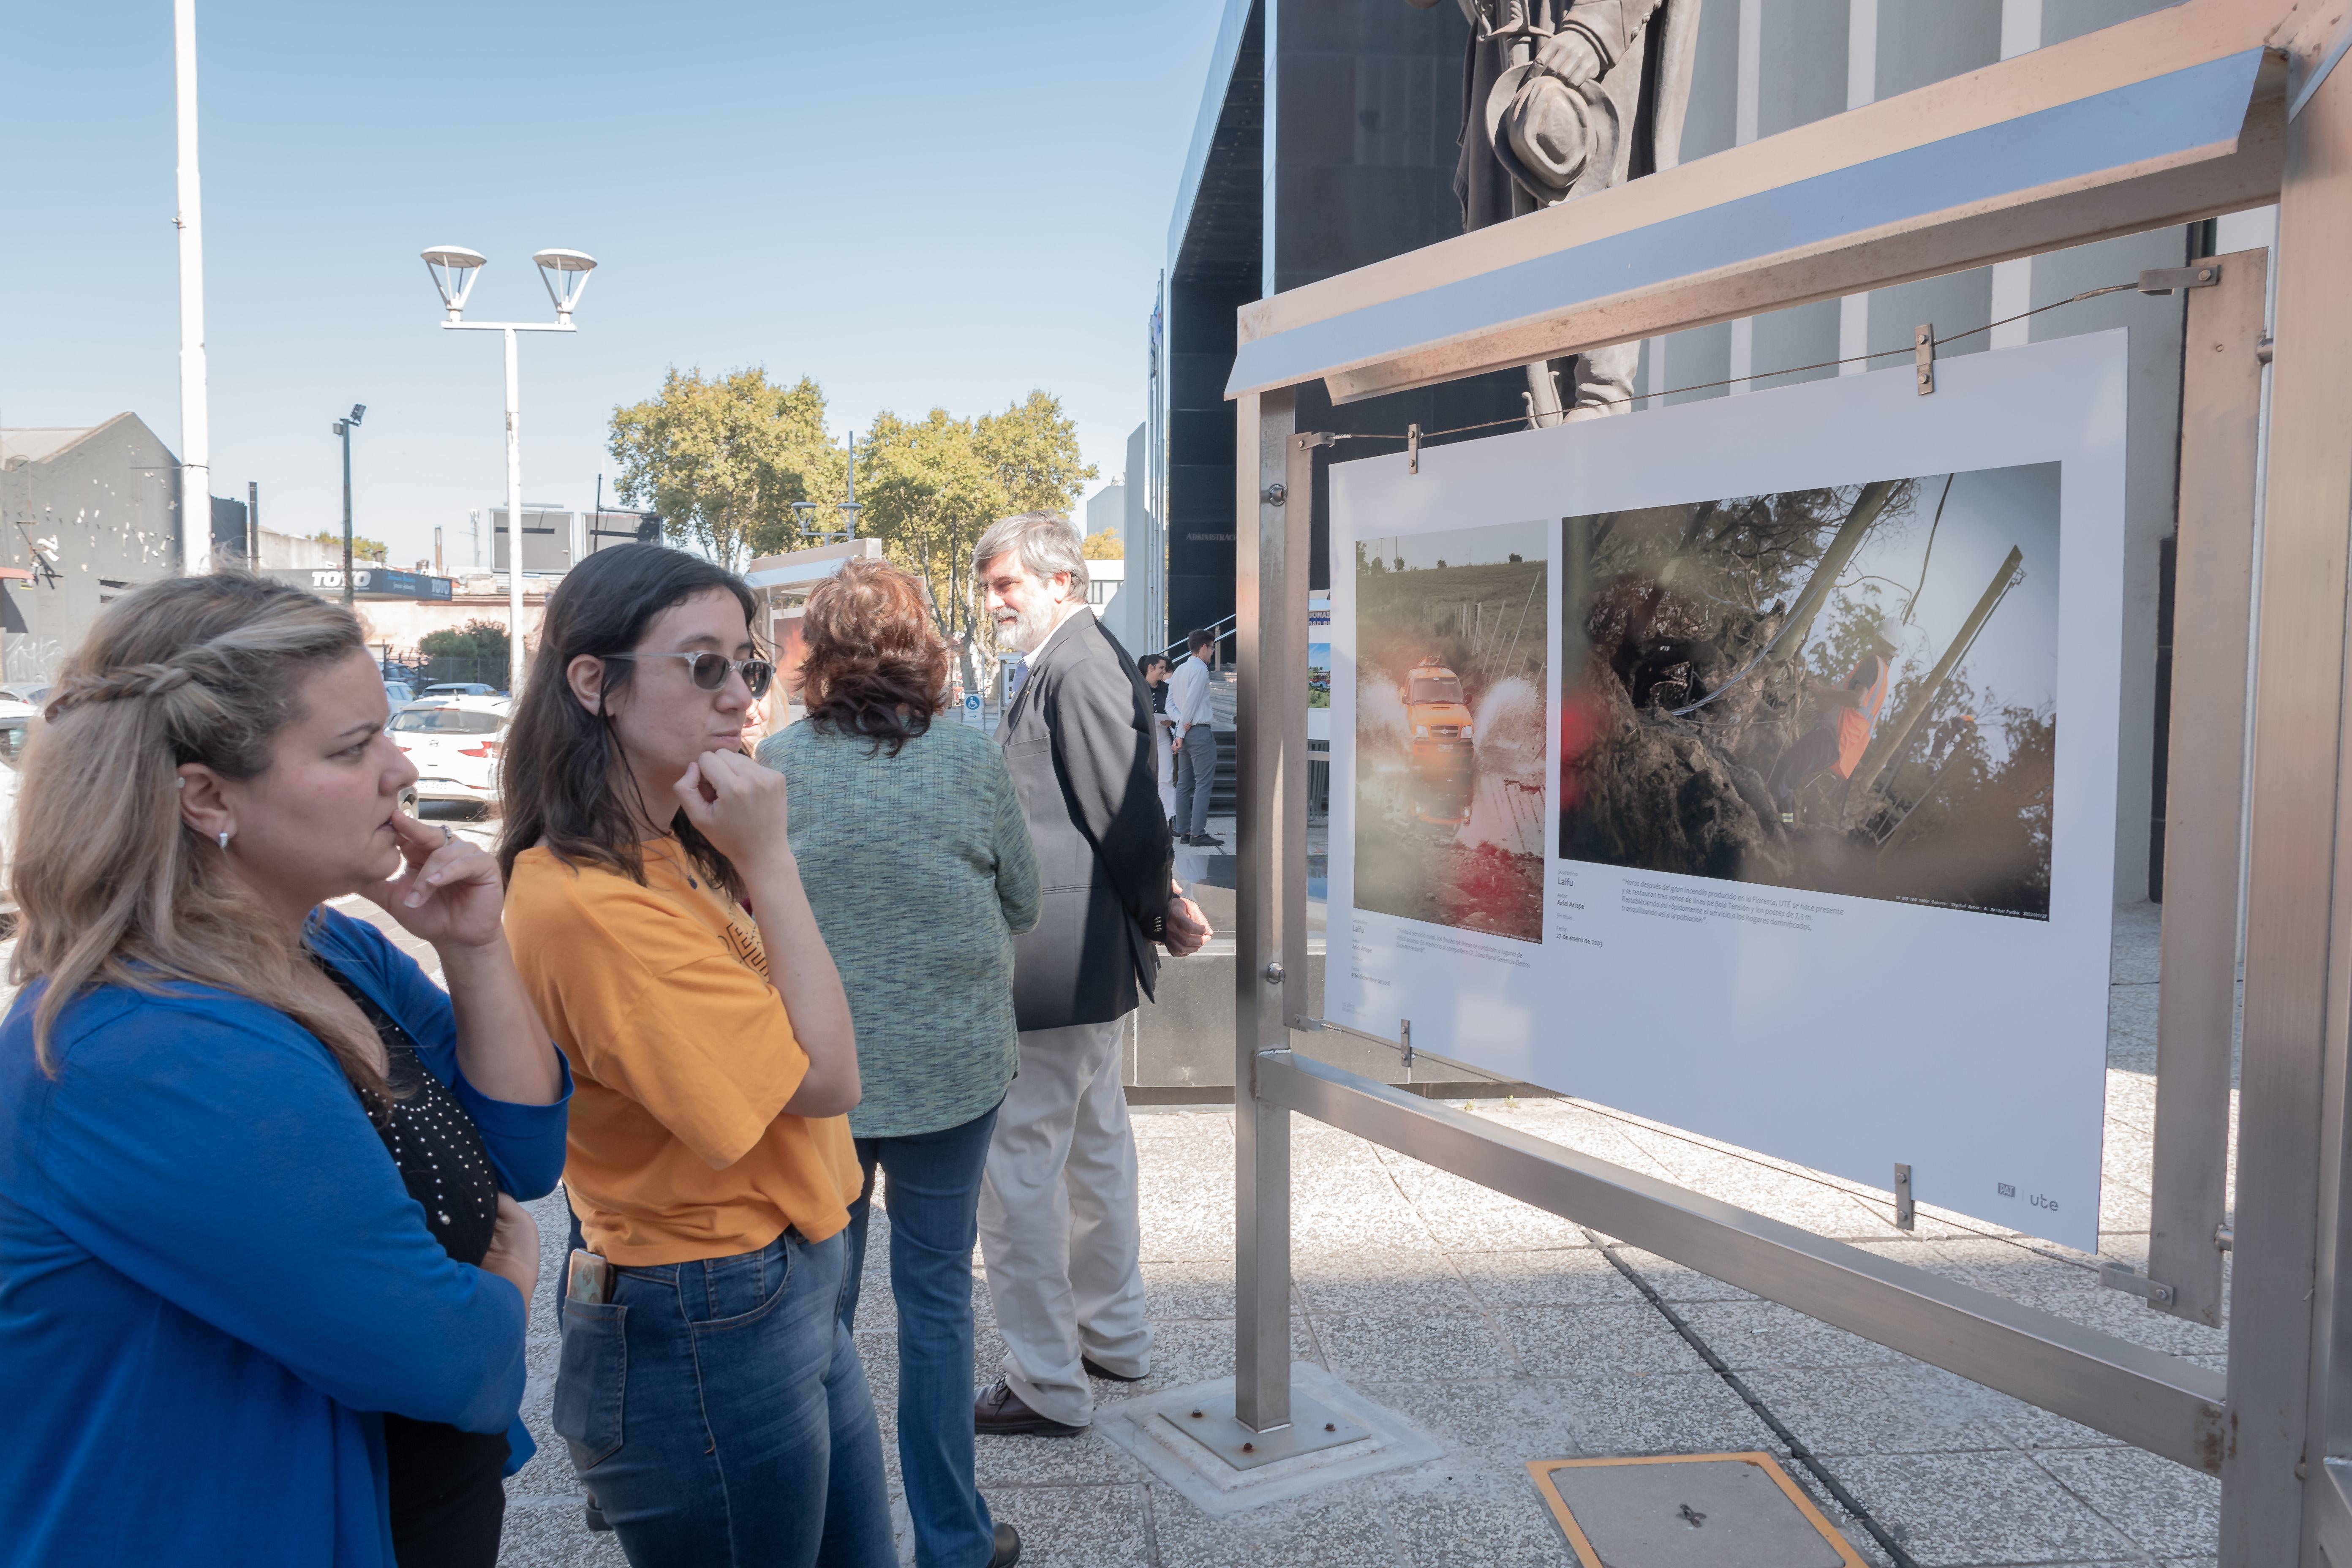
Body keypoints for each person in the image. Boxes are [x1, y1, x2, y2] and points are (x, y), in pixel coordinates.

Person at [0, 573, 567, 1568]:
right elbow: (453, 1363)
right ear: (206, 795)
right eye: (352, 748)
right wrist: (511, 1281)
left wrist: (476, 949)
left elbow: (523, 1150)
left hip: (402, 1500)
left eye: (387, 732)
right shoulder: (151, 1040)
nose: (400, 770)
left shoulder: (334, 948)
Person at [497, 544, 890, 1568]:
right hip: (706, 1306)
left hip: (785, 1271)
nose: (739, 695)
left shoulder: (670, 848)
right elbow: (830, 1076)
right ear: (596, 684)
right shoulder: (589, 903)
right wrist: (772, 856)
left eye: (747, 666)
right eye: (702, 664)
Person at [756, 557, 1037, 1568]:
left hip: (812, 1081)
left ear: (816, 657)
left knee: (819, 1307)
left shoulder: (777, 768)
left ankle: (832, 1531)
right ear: (926, 650)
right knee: (934, 1303)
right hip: (953, 1071)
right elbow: (1023, 900)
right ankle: (953, 1540)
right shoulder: (967, 761)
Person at [968, 513, 1213, 1438]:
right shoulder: (1078, 658)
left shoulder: (1074, 663)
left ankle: (1045, 1379)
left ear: (1062, 581)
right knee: (1095, 1145)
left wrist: (1165, 906)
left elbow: (1129, 812)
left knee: (1022, 1166)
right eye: (989, 587)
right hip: (1080, 963)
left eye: (1007, 586)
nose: (994, 603)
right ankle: (1113, 1336)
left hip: (1056, 966)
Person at [1764, 623, 1899, 825]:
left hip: (1831, 739)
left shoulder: (1873, 663)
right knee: (1786, 775)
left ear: (1878, 639)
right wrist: (1819, 697)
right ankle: (1785, 824)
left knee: (1781, 775)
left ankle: (1780, 825)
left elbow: (1856, 700)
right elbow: (1846, 705)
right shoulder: (1883, 678)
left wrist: (1821, 691)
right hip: (1837, 745)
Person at [1167, 628, 1219, 847]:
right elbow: (1192, 702)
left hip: (1186, 732)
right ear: (1205, 647)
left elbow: (1170, 704)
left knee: (1184, 784)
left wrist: (1180, 725)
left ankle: (1184, 831)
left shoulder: (1179, 670)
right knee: (1203, 783)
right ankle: (1198, 833)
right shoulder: (1200, 670)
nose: (1213, 653)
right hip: (1198, 733)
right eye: (1213, 648)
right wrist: (1182, 730)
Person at [1139, 651, 1176, 823]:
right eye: (1161, 668)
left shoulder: (1168, 689)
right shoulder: (1137, 687)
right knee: (1145, 777)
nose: (1164, 671)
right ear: (1150, 668)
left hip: (1163, 736)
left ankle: (1171, 818)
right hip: (1143, 735)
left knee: (1166, 778)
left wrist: (1173, 722)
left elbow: (1176, 711)